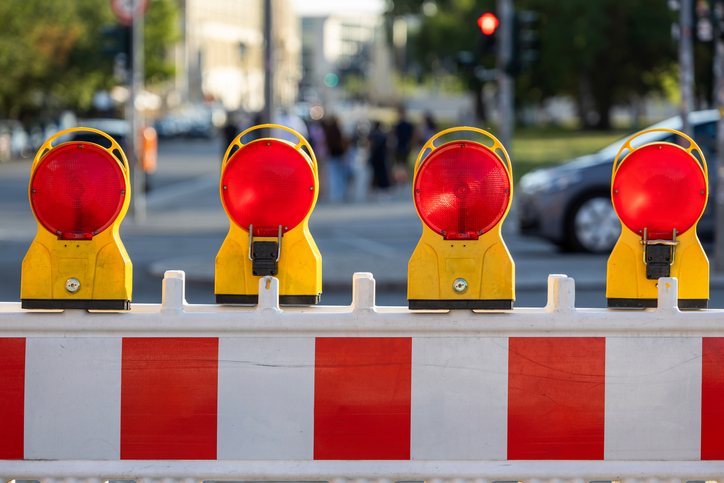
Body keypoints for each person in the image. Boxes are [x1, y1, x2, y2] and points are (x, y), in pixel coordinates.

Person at [323, 116, 347, 202]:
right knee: (339, 175)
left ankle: (333, 194)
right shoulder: (338, 132)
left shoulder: (329, 132)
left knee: (332, 175)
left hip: (332, 155)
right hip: (338, 155)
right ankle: (339, 194)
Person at [368, 121, 391, 194]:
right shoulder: (383, 135)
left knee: (375, 173)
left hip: (375, 157)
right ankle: (383, 187)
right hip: (381, 157)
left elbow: (370, 146)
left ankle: (374, 188)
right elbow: (387, 147)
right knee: (382, 173)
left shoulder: (372, 135)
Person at [393, 106, 414, 184]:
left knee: (399, 165)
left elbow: (395, 137)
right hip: (405, 147)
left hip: (400, 147)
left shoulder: (398, 125)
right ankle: (405, 179)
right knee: (405, 165)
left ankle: (400, 179)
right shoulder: (409, 125)